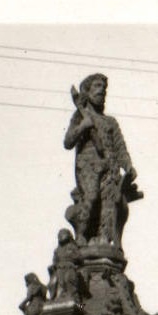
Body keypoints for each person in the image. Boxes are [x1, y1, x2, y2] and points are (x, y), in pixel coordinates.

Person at [63, 74, 142, 246]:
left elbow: (120, 147)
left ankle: (104, 239)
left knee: (110, 200)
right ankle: (82, 236)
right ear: (87, 91)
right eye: (97, 86)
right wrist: (83, 126)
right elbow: (68, 142)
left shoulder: (110, 122)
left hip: (110, 168)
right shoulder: (80, 116)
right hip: (89, 167)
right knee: (91, 198)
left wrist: (128, 165)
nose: (102, 91)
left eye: (104, 88)